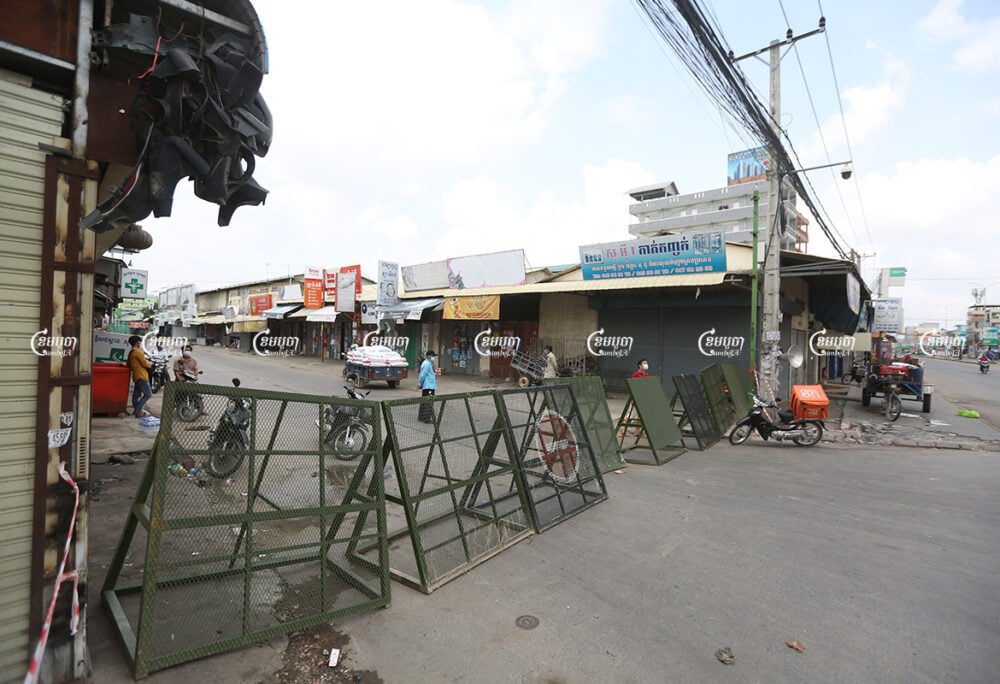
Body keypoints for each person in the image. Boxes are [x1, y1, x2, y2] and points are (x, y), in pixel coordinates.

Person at [127, 335, 152, 418]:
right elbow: (145, 363)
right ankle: (138, 411)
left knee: (136, 395)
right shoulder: (137, 352)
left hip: (136, 376)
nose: (140, 344)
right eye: (139, 342)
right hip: (142, 376)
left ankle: (136, 410)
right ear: (137, 343)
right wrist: (151, 364)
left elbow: (128, 364)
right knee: (148, 394)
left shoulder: (131, 352)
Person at [417, 350, 438, 423]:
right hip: (429, 386)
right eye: (433, 356)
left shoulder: (429, 363)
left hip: (429, 385)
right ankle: (426, 418)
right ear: (428, 356)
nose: (434, 357)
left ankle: (421, 417)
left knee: (424, 401)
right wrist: (420, 384)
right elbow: (422, 375)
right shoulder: (426, 364)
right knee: (429, 402)